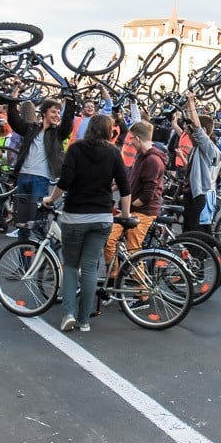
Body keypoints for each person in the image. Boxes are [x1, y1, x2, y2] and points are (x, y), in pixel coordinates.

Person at [43, 115, 130, 332]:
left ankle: (68, 314)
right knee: (91, 267)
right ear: (110, 131)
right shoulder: (113, 152)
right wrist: (125, 214)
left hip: (75, 215)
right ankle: (84, 320)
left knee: (72, 266)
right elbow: (124, 187)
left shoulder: (75, 149)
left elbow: (64, 182)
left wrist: (50, 200)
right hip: (102, 216)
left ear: (89, 128)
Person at [6, 88, 75, 241]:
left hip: (40, 180)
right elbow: (13, 120)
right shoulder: (31, 128)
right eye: (54, 112)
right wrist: (14, 95)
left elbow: (68, 122)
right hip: (23, 177)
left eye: (58, 113)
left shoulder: (57, 134)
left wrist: (69, 97)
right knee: (22, 226)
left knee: (37, 225)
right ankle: (25, 265)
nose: (57, 115)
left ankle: (47, 256)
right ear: (44, 113)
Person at [103, 120, 167, 268]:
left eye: (131, 138)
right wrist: (112, 187)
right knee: (112, 242)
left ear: (137, 138)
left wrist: (127, 207)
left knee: (134, 252)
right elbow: (130, 180)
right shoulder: (141, 157)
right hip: (134, 210)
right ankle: (113, 279)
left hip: (142, 211)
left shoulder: (152, 160)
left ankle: (142, 289)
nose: (130, 142)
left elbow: (147, 196)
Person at [179, 93, 221, 234]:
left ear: (204, 132)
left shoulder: (208, 147)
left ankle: (198, 254)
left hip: (199, 195)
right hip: (198, 193)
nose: (189, 132)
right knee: (201, 228)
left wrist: (191, 103)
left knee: (191, 232)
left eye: (190, 130)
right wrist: (187, 107)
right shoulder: (202, 149)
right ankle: (209, 250)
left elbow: (197, 128)